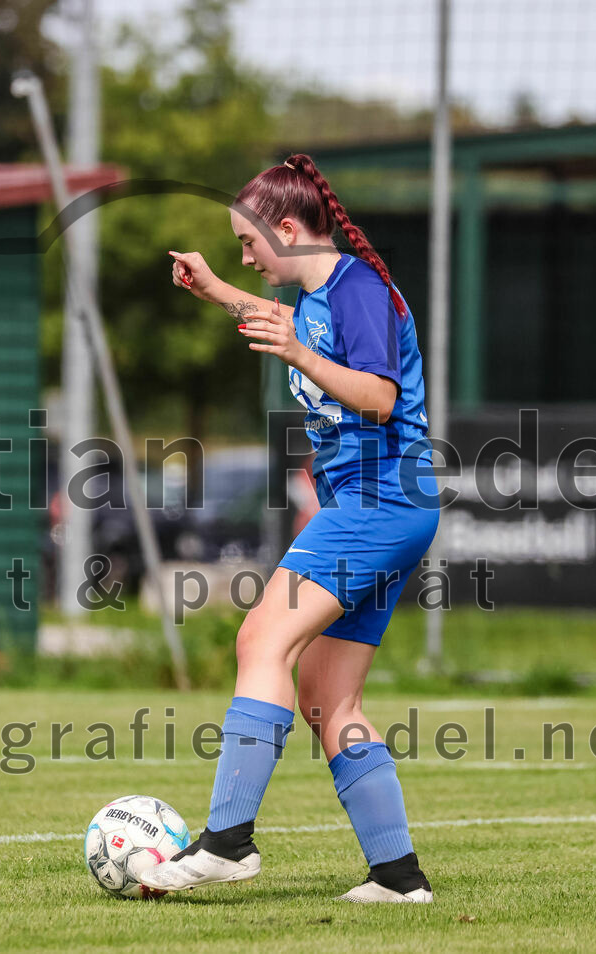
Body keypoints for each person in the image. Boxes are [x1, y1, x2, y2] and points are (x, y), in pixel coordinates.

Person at [140, 153, 440, 903]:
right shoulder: (316, 295)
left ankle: (228, 842)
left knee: (260, 642)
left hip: (379, 502)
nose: (246, 256)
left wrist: (301, 352)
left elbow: (377, 396)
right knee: (327, 698)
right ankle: (398, 879)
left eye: (248, 243)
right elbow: (286, 325)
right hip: (379, 507)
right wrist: (218, 290)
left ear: (286, 228)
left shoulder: (359, 289)